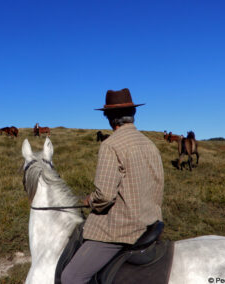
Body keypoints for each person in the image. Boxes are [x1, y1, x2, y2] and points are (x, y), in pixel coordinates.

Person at [61, 88, 164, 284]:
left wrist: (91, 200)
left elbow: (105, 196)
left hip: (123, 228)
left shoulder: (111, 145)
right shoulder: (150, 144)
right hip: (152, 223)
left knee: (71, 277)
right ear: (133, 114)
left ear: (109, 118)